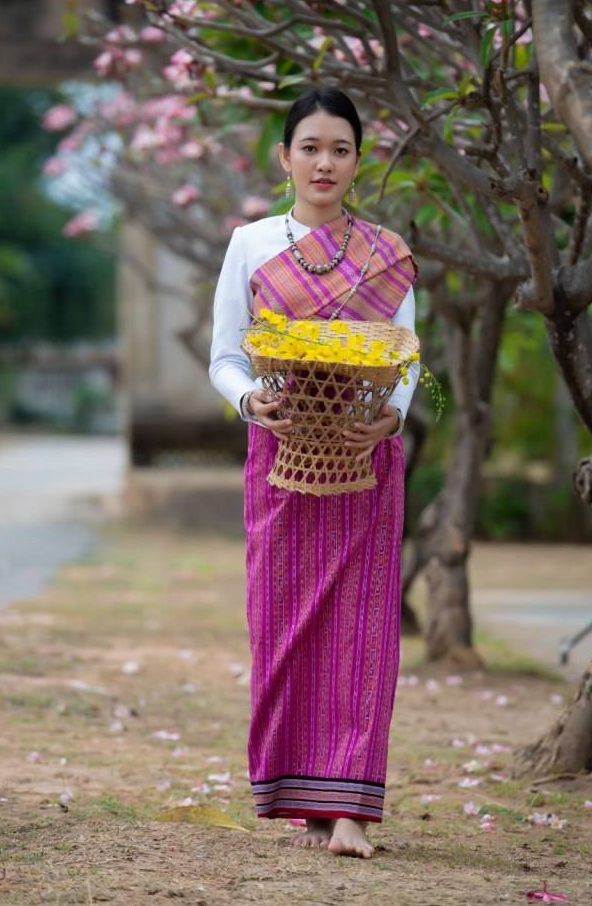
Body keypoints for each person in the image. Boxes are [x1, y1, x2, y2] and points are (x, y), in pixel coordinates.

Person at [209, 86, 420, 859]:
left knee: (363, 632)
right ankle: (302, 791)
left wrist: (393, 414)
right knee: (284, 628)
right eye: (310, 147)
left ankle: (352, 810)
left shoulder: (387, 254)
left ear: (359, 162)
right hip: (281, 459)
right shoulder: (252, 245)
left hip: (365, 460)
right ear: (285, 157)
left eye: (340, 149)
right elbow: (225, 356)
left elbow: (408, 358)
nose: (324, 162)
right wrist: (250, 401)